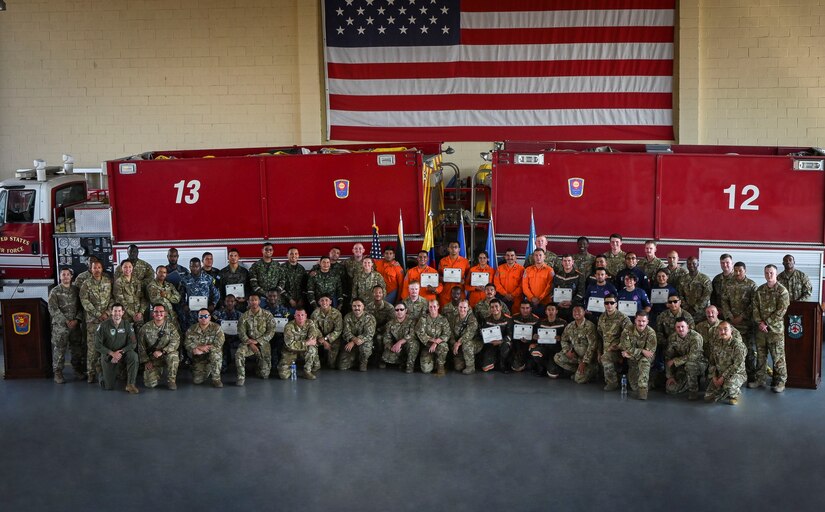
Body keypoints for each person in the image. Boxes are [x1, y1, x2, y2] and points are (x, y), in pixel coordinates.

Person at [751, 264, 791, 392]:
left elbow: (781, 311)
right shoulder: (760, 290)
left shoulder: (782, 291)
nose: (769, 275)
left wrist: (766, 323)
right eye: (767, 273)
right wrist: (760, 323)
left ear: (776, 273)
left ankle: (780, 382)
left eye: (771, 273)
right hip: (761, 330)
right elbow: (755, 308)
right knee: (761, 356)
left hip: (775, 330)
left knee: (778, 357)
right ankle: (760, 379)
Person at [721, 262, 757, 383]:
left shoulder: (751, 285)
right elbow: (724, 301)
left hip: (747, 323)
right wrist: (730, 317)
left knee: (749, 350)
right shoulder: (728, 284)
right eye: (735, 270)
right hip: (732, 324)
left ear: (745, 270)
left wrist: (742, 316)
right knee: (733, 349)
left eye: (740, 271)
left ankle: (751, 375)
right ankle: (735, 374)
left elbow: (754, 304)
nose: (737, 273)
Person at [48, 267, 85, 383]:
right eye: (63, 275)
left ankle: (77, 370)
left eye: (67, 274)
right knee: (59, 350)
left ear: (71, 276)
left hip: (75, 326)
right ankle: (58, 373)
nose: (65, 277)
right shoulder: (55, 291)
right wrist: (65, 321)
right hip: (61, 327)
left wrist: (77, 320)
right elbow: (53, 308)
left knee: (77, 350)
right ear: (60, 277)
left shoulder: (76, 290)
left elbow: (81, 307)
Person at [79, 259, 113, 383]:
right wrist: (98, 314)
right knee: (92, 348)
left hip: (107, 320)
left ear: (102, 269)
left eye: (99, 267)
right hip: (92, 321)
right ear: (91, 269)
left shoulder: (107, 282)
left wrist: (107, 313)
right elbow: (85, 301)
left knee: (106, 347)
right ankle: (91, 373)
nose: (97, 270)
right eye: (94, 267)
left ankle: (104, 372)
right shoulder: (86, 284)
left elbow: (112, 299)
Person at [94, 303, 139, 394]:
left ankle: (130, 384)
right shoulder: (103, 325)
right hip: (108, 355)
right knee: (108, 387)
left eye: (119, 311)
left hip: (123, 353)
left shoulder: (127, 325)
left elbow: (133, 343)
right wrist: (112, 353)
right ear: (111, 312)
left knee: (133, 356)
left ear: (123, 312)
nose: (117, 313)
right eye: (115, 311)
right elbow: (97, 345)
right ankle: (101, 371)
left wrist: (121, 352)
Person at [235, 293, 276, 386]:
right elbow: (241, 333)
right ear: (248, 302)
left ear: (259, 302)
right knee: (239, 353)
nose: (253, 302)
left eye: (255, 300)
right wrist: (251, 343)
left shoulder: (267, 315)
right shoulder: (244, 316)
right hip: (248, 343)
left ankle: (258, 366)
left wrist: (258, 341)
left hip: (263, 343)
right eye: (251, 300)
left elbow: (271, 331)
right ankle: (241, 377)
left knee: (264, 375)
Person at [138, 303, 180, 390]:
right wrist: (146, 361)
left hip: (166, 354)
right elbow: (141, 345)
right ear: (153, 314)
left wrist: (163, 351)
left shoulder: (171, 327)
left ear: (165, 313)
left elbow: (175, 341)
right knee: (150, 384)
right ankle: (158, 371)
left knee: (174, 356)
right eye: (156, 311)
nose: (158, 313)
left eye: (161, 311)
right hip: (153, 357)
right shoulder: (145, 328)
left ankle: (171, 380)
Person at [704, 322, 747, 405]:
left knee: (729, 387)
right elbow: (712, 362)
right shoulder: (716, 343)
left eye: (725, 329)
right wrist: (714, 376)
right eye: (720, 329)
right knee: (708, 397)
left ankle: (735, 394)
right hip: (720, 373)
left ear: (731, 331)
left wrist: (722, 378)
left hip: (736, 373)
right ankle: (725, 388)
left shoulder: (738, 345)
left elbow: (737, 366)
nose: (722, 332)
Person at [553, 304, 598, 383]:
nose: (576, 313)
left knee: (579, 380)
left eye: (579, 311)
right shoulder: (570, 326)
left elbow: (592, 346)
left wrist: (584, 362)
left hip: (589, 359)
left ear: (584, 312)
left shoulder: (590, 326)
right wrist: (567, 351)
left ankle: (593, 369)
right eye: (574, 311)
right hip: (576, 357)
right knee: (558, 357)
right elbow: (564, 339)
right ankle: (579, 370)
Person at [665, 318, 707, 400]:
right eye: (678, 327)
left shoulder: (696, 337)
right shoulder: (672, 338)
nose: (680, 329)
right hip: (682, 365)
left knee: (689, 365)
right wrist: (670, 376)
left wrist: (675, 361)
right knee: (671, 389)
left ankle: (693, 391)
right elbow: (668, 357)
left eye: (682, 326)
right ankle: (689, 381)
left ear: (687, 327)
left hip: (699, 363)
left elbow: (693, 356)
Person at [620, 312, 657, 400]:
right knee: (634, 386)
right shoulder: (627, 330)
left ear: (647, 321)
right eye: (639, 321)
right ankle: (652, 380)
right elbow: (625, 346)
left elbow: (649, 353)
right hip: (633, 360)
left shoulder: (651, 333)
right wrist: (642, 351)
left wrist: (629, 354)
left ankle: (643, 391)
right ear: (635, 321)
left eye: (643, 321)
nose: (641, 323)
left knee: (644, 361)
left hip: (646, 359)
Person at [598, 295, 632, 390]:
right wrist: (598, 352)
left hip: (619, 351)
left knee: (605, 358)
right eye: (606, 303)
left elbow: (629, 336)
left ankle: (612, 383)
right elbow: (600, 335)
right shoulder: (602, 317)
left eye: (612, 303)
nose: (609, 305)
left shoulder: (623, 318)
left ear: (616, 304)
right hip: (605, 349)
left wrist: (618, 347)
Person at [185, 307, 225, 388]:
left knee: (216, 353)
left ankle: (216, 379)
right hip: (199, 357)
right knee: (197, 381)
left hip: (212, 354)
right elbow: (187, 343)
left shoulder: (217, 328)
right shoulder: (192, 329)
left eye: (206, 316)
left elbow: (219, 343)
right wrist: (195, 349)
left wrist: (203, 349)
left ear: (209, 317)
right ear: (198, 318)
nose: (203, 318)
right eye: (201, 316)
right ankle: (208, 367)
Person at [179, 257, 221, 332]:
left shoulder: (208, 278)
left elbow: (216, 293)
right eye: (192, 266)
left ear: (200, 266)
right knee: (192, 331)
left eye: (196, 266)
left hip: (205, 313)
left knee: (205, 331)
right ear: (189, 266)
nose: (194, 268)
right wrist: (183, 305)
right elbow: (181, 294)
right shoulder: (185, 279)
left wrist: (213, 304)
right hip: (191, 312)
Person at [279, 308, 321, 380]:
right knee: (283, 376)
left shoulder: (310, 323)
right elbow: (290, 344)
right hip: (290, 351)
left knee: (313, 351)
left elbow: (312, 340)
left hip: (304, 350)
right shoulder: (289, 326)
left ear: (306, 316)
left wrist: (307, 343)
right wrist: (306, 343)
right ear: (295, 316)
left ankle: (307, 371)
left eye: (302, 315)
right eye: (298, 315)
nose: (300, 317)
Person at [415, 300, 452, 375]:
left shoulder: (443, 319)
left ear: (438, 307)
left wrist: (436, 342)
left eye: (434, 306)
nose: (432, 308)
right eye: (430, 307)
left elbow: (447, 334)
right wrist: (431, 340)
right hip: (427, 346)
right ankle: (433, 360)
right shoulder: (423, 319)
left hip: (439, 345)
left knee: (444, 346)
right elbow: (420, 332)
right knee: (426, 370)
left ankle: (440, 366)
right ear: (428, 308)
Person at [340, 298, 376, 371]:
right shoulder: (347, 317)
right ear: (352, 307)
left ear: (363, 307)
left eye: (359, 306)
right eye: (354, 306)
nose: (357, 308)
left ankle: (363, 361)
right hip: (350, 342)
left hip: (364, 342)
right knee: (341, 366)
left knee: (365, 349)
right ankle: (355, 359)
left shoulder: (369, 318)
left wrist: (353, 341)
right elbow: (346, 332)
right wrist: (353, 340)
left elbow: (369, 334)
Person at [531, 303, 567, 378]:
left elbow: (567, 338)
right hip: (543, 347)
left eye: (552, 310)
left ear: (556, 311)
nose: (550, 312)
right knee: (535, 352)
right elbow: (534, 335)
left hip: (556, 349)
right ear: (545, 312)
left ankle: (551, 366)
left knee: (553, 374)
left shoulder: (563, 323)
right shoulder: (540, 322)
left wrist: (561, 338)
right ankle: (542, 368)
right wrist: (534, 337)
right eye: (548, 310)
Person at [382, 301, 419, 373]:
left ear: (406, 310)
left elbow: (413, 334)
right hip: (397, 347)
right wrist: (392, 347)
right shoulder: (390, 324)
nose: (399, 312)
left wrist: (400, 342)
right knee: (386, 357)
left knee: (413, 345)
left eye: (401, 309)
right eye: (397, 310)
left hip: (409, 344)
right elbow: (387, 338)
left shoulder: (412, 321)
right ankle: (402, 361)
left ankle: (409, 366)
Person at [113, 259, 148, 332]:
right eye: (125, 267)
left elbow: (143, 298)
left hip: (139, 315)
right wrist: (133, 314)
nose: (127, 269)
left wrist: (141, 312)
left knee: (141, 336)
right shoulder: (118, 282)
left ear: (132, 268)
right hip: (126, 316)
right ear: (121, 268)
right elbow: (120, 301)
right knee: (127, 337)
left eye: (129, 267)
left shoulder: (137, 281)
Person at [310, 295, 344, 369]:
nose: (324, 302)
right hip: (319, 338)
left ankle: (328, 360)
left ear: (330, 302)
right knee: (311, 345)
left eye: (326, 300)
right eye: (322, 300)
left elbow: (338, 330)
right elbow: (314, 328)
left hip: (333, 338)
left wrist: (326, 339)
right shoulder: (315, 313)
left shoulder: (337, 313)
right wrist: (323, 341)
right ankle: (316, 363)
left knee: (331, 365)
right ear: (319, 302)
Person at [448, 300, 481, 375]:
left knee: (467, 344)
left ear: (468, 308)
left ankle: (471, 367)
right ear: (457, 307)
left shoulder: (472, 319)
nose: (462, 309)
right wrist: (454, 343)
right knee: (458, 367)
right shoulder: (454, 318)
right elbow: (450, 332)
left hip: (474, 343)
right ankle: (465, 357)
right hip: (459, 344)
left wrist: (458, 343)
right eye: (460, 307)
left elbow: (469, 334)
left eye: (464, 307)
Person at [479, 299, 513, 373]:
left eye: (496, 306)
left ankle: (503, 363)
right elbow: (483, 332)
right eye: (492, 307)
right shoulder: (487, 319)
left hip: (504, 343)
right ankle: (495, 360)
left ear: (500, 307)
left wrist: (501, 341)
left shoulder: (508, 319)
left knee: (505, 346)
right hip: (491, 344)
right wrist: (482, 334)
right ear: (490, 309)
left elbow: (510, 335)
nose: (494, 309)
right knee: (485, 368)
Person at [212, 294, 242, 373]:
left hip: (235, 339)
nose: (229, 303)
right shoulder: (217, 314)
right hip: (222, 339)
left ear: (235, 302)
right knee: (222, 370)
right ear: (224, 302)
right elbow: (212, 326)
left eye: (232, 301)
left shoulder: (240, 315)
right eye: (227, 301)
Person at [522, 248, 554, 317]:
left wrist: (539, 298)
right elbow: (524, 286)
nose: (538, 257)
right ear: (533, 257)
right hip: (530, 303)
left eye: (540, 255)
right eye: (536, 255)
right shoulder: (528, 270)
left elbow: (549, 286)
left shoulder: (550, 270)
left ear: (544, 257)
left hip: (545, 303)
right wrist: (532, 298)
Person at [437, 241, 471, 306]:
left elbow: (468, 276)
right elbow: (438, 276)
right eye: (451, 247)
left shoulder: (465, 262)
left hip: (459, 292)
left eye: (455, 247)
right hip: (446, 292)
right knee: (445, 312)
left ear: (459, 249)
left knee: (460, 312)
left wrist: (464, 281)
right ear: (448, 249)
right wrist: (442, 279)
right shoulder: (442, 261)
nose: (453, 249)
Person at [552, 254, 583, 322]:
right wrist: (557, 303)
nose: (567, 263)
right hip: (559, 307)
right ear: (562, 262)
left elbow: (581, 293)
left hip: (573, 308)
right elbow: (552, 291)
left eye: (569, 261)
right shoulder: (557, 275)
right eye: (565, 261)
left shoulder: (579, 276)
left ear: (573, 262)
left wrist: (571, 302)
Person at [510, 302, 540, 372]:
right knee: (515, 367)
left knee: (529, 366)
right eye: (523, 308)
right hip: (516, 342)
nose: (525, 310)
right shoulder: (514, 317)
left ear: (531, 309)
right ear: (520, 309)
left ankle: (528, 362)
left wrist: (533, 338)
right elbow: (510, 331)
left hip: (530, 343)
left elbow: (537, 334)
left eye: (527, 308)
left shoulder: (536, 319)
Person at [494, 248, 524, 312]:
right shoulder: (499, 268)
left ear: (516, 257)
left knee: (515, 317)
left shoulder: (521, 269)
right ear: (505, 257)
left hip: (516, 299)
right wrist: (505, 294)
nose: (510, 257)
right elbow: (496, 283)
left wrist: (512, 295)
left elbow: (522, 284)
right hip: (502, 298)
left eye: (512, 255)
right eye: (507, 255)